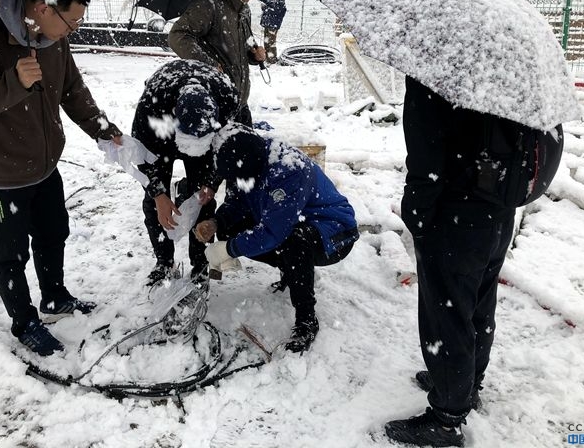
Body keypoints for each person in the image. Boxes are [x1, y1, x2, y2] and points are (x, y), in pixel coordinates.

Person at [0, 0, 123, 357]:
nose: (74, 29)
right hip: (1, 174)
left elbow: (72, 89)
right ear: (44, 8)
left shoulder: (53, 39)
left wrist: (102, 128)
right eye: (72, 21)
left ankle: (54, 298)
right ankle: (24, 321)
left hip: (44, 165)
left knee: (53, 232)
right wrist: (15, 81)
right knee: (11, 252)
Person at [383, 75, 517, 447]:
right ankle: (465, 383)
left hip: (454, 213)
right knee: (478, 301)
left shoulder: (435, 69)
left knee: (446, 315)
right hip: (498, 207)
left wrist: (417, 214)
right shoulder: (500, 64)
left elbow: (426, 156)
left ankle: (446, 419)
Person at [194, 124, 359, 353]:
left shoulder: (289, 170)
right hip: (295, 220)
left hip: (335, 230)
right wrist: (217, 222)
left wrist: (228, 250)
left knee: (294, 242)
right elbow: (239, 201)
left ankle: (306, 320)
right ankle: (292, 271)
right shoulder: (248, 160)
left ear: (249, 164)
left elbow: (273, 232)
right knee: (234, 228)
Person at [131, 59, 240, 286]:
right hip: (161, 139)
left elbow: (229, 150)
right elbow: (140, 155)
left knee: (201, 201)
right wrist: (159, 194)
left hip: (207, 144)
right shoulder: (153, 104)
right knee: (155, 205)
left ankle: (201, 264)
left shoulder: (227, 99)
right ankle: (164, 261)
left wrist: (211, 183)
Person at [168, 0, 267, 127]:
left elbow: (243, 45)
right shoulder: (209, 5)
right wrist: (207, 64)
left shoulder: (244, 10)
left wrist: (254, 54)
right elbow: (177, 36)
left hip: (240, 102)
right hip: (216, 105)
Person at [257, 0, 287, 64]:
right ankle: (267, 58)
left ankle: (272, 59)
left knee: (271, 43)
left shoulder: (280, 1)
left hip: (274, 25)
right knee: (266, 41)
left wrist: (265, 8)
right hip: (267, 23)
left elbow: (275, 11)